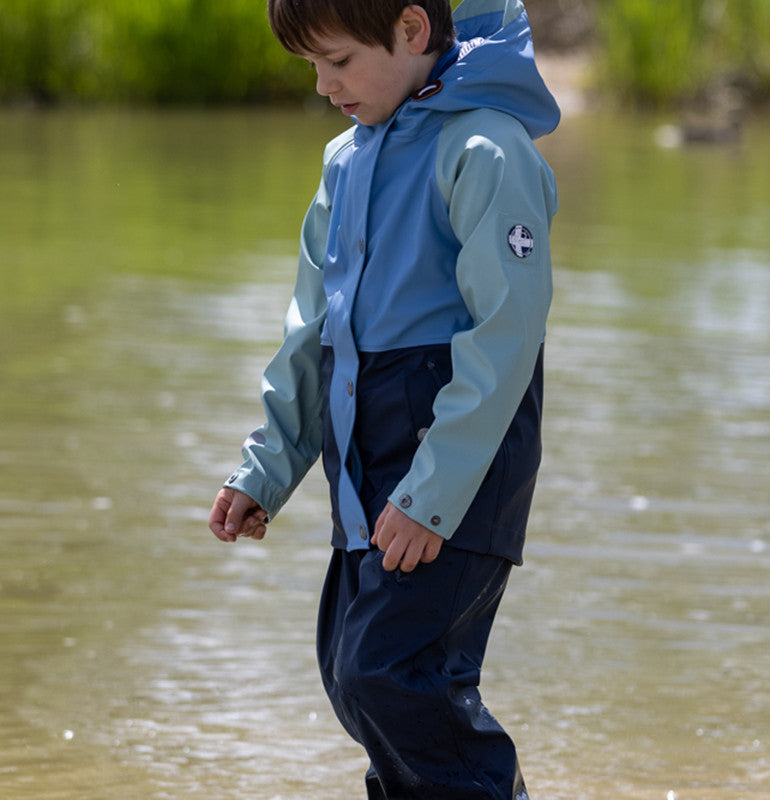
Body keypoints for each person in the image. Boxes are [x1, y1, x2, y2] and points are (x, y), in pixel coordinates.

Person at [209, 0, 559, 796]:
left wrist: (431, 497)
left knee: (389, 673)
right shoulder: (346, 162)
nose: (326, 86)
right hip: (365, 466)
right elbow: (312, 336)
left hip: (458, 470)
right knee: (352, 672)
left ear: (409, 30)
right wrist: (265, 471)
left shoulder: (485, 149)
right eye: (312, 69)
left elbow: (506, 338)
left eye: (338, 62)